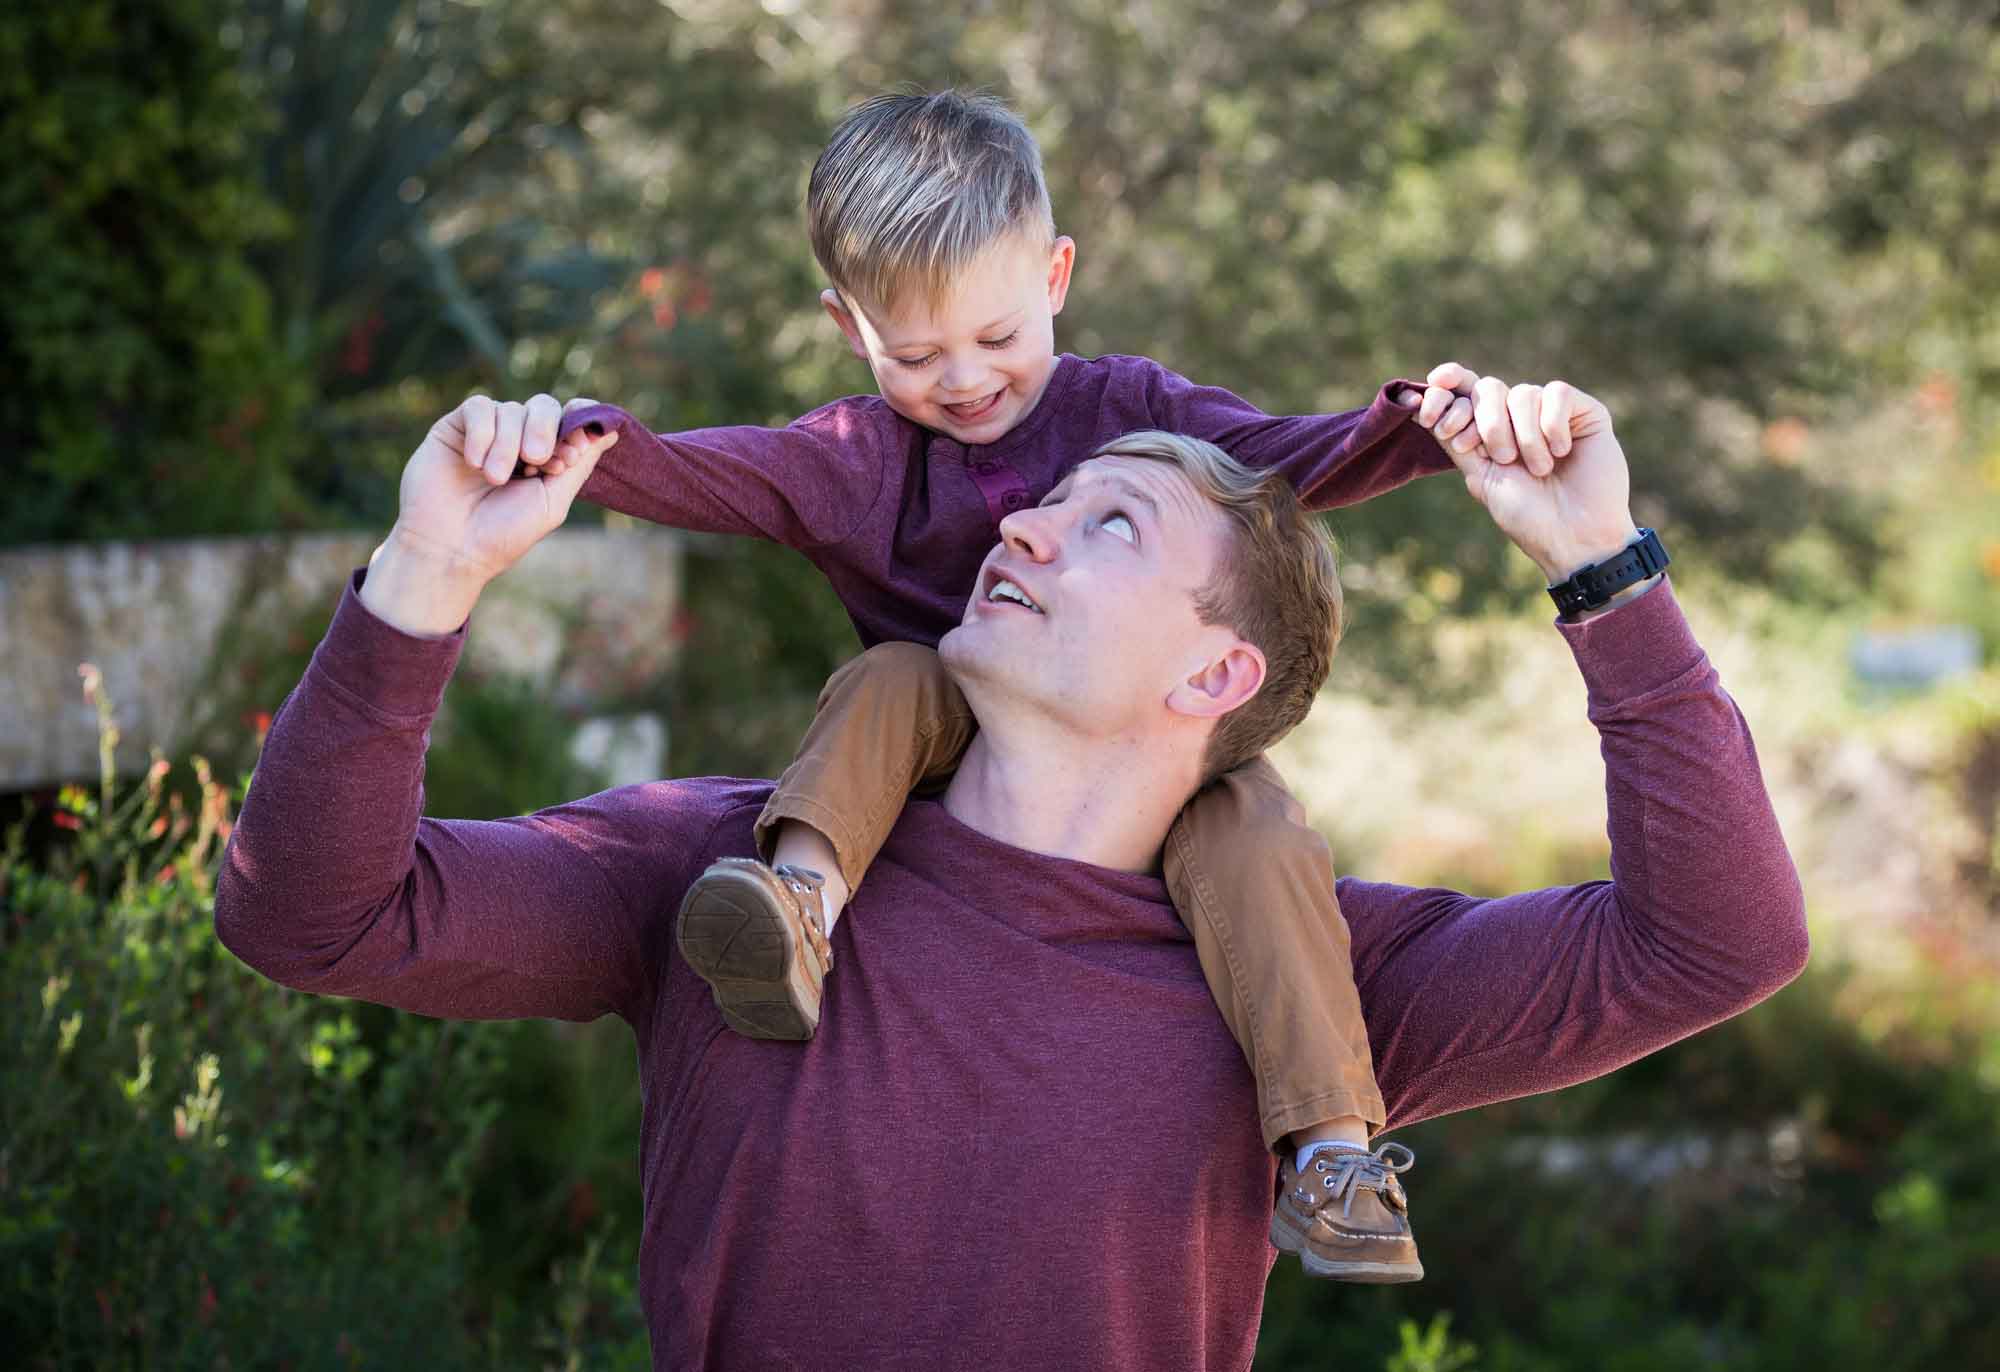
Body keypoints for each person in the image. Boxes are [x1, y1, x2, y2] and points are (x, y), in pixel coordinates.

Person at [216, 369, 1807, 1371]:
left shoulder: (1312, 981)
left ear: (1216, 679)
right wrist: (424, 574)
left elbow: (1716, 946)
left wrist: (1604, 569)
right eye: (1040, 505)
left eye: (1108, 527)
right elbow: (315, 916)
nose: (1025, 533)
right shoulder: (728, 872)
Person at [529, 89, 1498, 1278]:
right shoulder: (861, 459)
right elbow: (729, 476)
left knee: (1255, 827)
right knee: (893, 671)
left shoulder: (1125, 411)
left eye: (996, 338)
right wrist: (583, 449)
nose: (967, 381)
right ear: (850, 326)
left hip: (1132, 756)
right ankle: (794, 908)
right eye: (918, 354)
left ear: (1055, 275)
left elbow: (1281, 459)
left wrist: (1417, 426)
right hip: (945, 742)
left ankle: (1333, 1158)